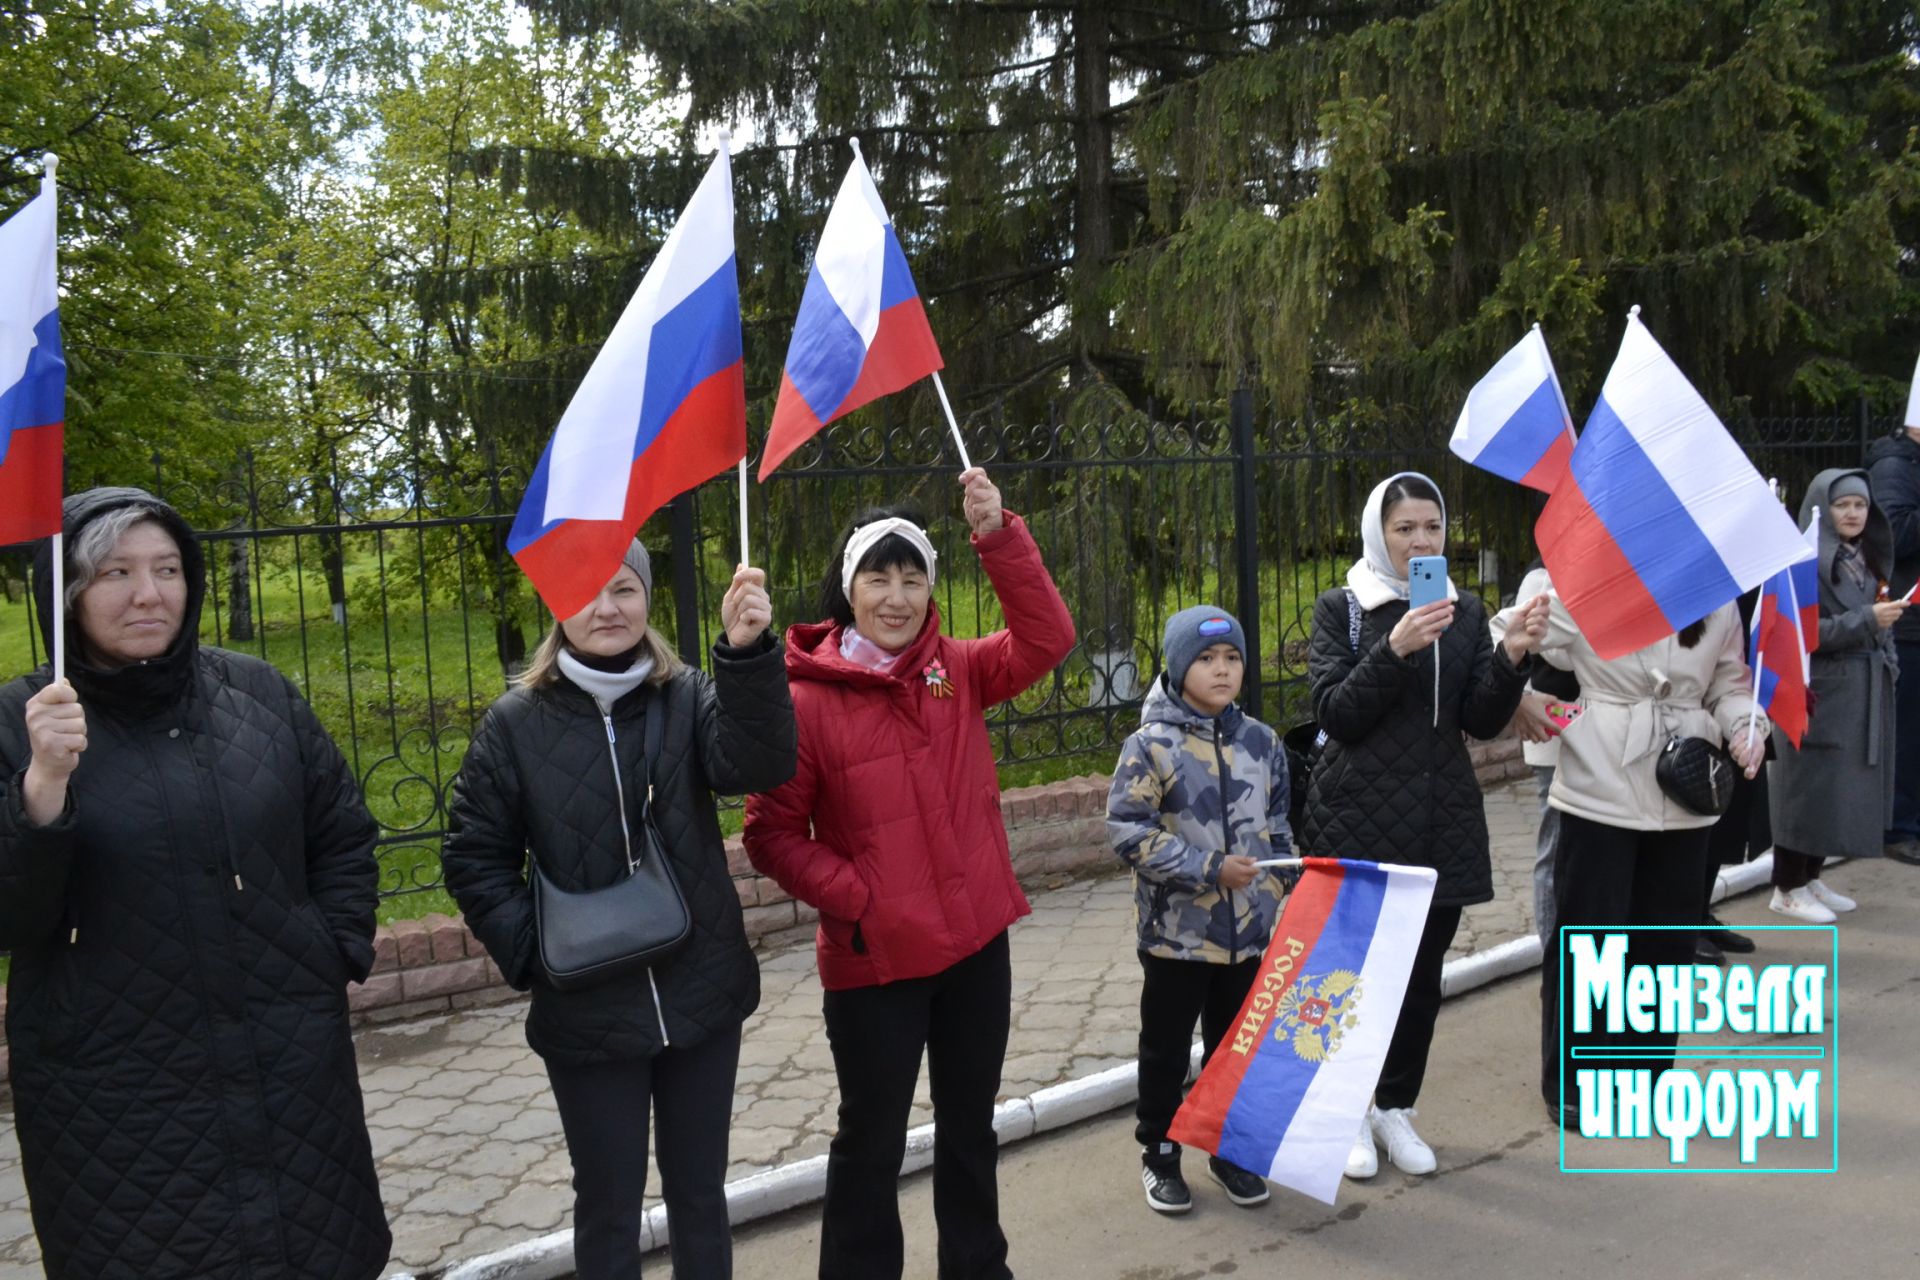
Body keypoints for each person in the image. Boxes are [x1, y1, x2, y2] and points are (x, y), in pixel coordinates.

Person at [0, 487, 391, 1279]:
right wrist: (42, 786)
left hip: (290, 1077)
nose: (148, 593)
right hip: (114, 1098)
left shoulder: (256, 694)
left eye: (167, 568)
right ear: (66, 593)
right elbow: (12, 919)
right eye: (114, 572)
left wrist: (331, 950)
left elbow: (342, 832)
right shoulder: (24, 720)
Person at [742, 468, 1075, 1280]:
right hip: (875, 962)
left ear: (931, 587)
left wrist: (999, 535)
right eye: (877, 578)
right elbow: (772, 835)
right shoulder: (803, 700)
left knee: (970, 1129)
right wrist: (860, 899)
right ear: (846, 588)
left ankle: (976, 1268)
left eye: (912, 577)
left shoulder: (954, 670)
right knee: (872, 1141)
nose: (896, 597)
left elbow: (1046, 640)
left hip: (973, 950)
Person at [441, 541, 795, 1280]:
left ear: (647, 602)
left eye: (625, 589)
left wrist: (748, 655)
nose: (606, 608)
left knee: (700, 1195)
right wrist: (537, 955)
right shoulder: (514, 724)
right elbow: (474, 858)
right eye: (586, 590)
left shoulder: (688, 693)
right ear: (555, 605)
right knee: (608, 1204)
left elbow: (757, 766)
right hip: (589, 1010)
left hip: (700, 992)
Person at [1303, 472, 1547, 1180]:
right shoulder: (1341, 608)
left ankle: (1395, 1107)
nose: (1419, 541)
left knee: (1419, 981)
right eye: (1404, 528)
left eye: (1431, 528)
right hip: (1356, 822)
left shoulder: (1462, 610)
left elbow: (1477, 718)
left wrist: (1511, 655)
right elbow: (1337, 715)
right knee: (1353, 979)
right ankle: (1344, 1110)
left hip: (1440, 821)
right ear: (1377, 533)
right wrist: (1396, 645)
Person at [1512, 591, 1766, 1123]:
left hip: (1685, 788)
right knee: (1589, 938)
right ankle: (1573, 1084)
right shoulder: (1590, 588)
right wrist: (1519, 685)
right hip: (1599, 782)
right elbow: (1509, 634)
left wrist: (1746, 726)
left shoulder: (1715, 600)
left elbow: (1729, 683)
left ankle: (1644, 1075)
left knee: (1665, 941)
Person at [1107, 606, 1291, 1215]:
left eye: (1232, 658)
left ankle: (1226, 1148)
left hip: (1247, 936)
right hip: (1176, 939)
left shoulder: (1263, 742)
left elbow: (1280, 822)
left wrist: (1283, 887)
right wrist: (1210, 868)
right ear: (1179, 666)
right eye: (1207, 659)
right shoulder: (1149, 746)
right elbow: (1127, 833)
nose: (1221, 670)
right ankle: (1158, 1151)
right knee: (1164, 1050)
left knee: (1232, 1048)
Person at [1767, 469, 1905, 921]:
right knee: (1806, 788)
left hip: (1860, 688)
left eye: (1860, 505)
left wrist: (1888, 656)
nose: (1852, 513)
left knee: (1837, 791)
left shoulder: (1865, 557)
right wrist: (1867, 620)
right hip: (1818, 692)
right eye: (1842, 504)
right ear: (1822, 508)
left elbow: (1877, 615)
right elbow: (1798, 633)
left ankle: (1810, 877)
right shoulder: (1802, 559)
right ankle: (1786, 885)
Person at [1863, 421, 1920, 864]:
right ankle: (1899, 827)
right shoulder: (1893, 466)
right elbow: (1894, 535)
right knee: (1908, 730)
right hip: (1908, 620)